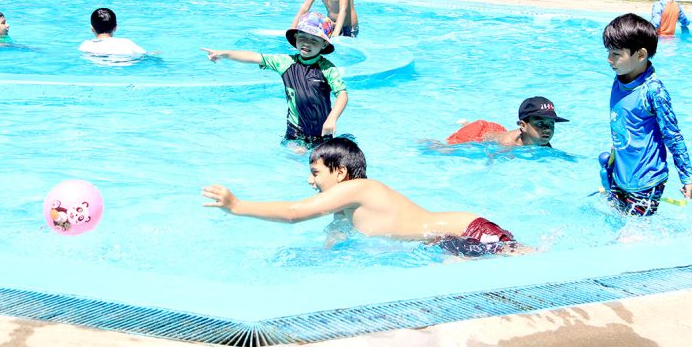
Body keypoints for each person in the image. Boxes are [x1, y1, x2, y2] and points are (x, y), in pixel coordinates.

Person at [202, 137, 527, 257]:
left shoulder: (358, 188)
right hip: (447, 242)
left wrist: (238, 206)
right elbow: (333, 246)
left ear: (340, 172)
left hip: (468, 231)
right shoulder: (346, 207)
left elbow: (293, 213)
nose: (310, 180)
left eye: (315, 173)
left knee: (526, 258)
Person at [202, 11, 348, 145]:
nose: (306, 43)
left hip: (323, 130)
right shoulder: (285, 62)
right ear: (296, 37)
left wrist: (332, 119)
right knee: (296, 156)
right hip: (295, 130)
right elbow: (254, 57)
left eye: (314, 40)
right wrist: (224, 53)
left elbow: (342, 94)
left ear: (324, 44)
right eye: (302, 37)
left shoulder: (327, 68)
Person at [602, 13, 692, 216]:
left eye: (616, 54)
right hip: (620, 174)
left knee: (635, 231)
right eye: (608, 52)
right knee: (614, 219)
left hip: (647, 180)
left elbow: (672, 136)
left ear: (640, 55)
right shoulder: (619, 79)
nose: (609, 59)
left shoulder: (653, 91)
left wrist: (687, 178)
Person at [446, 96, 569, 147]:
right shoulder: (509, 144)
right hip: (477, 133)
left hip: (496, 130)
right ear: (523, 126)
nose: (547, 129)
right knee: (446, 148)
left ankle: (465, 124)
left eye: (551, 123)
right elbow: (491, 157)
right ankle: (466, 126)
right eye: (540, 124)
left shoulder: (542, 141)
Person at [78, 8, 146, 55]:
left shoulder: (85, 46)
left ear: (92, 28)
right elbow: (145, 55)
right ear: (115, 28)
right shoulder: (126, 43)